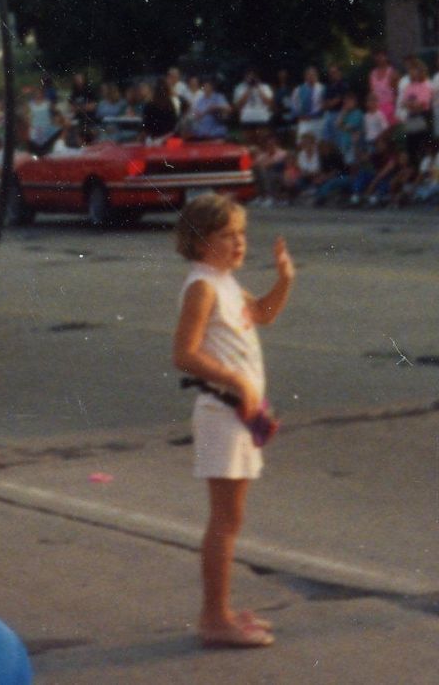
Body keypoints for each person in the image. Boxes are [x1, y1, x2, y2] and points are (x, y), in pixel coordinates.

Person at [171, 194, 294, 650]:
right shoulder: (202, 287)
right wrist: (236, 380)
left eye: (242, 234)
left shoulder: (224, 282)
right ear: (201, 241)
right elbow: (184, 354)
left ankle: (220, 610)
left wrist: (284, 280)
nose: (240, 243)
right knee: (224, 521)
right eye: (228, 236)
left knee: (231, 519)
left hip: (237, 415)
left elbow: (262, 314)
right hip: (221, 412)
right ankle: (214, 617)